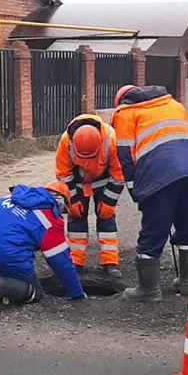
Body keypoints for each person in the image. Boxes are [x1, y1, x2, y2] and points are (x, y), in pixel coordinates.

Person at [110, 84, 188, 302]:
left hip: (158, 171)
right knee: (186, 222)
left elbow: (124, 155)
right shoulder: (174, 105)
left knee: (154, 227)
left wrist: (136, 191)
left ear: (123, 101)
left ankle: (148, 290)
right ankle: (187, 282)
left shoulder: (126, 113)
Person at [0, 180, 87, 314]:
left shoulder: (12, 197)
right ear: (61, 203)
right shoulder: (50, 220)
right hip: (6, 253)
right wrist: (76, 292)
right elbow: (61, 262)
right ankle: (0, 284)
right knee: (35, 292)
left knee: (5, 251)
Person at [55, 113, 126, 278]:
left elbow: (119, 174)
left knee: (106, 219)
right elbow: (63, 174)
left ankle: (110, 262)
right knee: (76, 219)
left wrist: (109, 201)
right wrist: (72, 200)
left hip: (104, 181)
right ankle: (76, 261)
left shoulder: (111, 139)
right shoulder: (66, 141)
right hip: (77, 183)